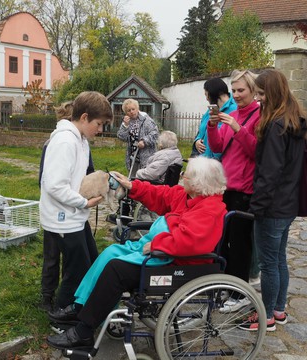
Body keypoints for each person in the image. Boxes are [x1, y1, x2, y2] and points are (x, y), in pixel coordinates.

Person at [46, 157, 228, 350]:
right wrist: (132, 186)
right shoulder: (188, 196)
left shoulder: (210, 210)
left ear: (199, 183)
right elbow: (161, 194)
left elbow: (190, 242)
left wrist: (157, 243)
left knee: (116, 270)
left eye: (187, 175)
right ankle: (80, 306)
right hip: (161, 252)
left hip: (175, 263)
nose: (182, 177)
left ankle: (83, 332)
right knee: (111, 252)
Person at [239, 69, 307, 332]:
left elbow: (270, 172)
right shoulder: (294, 120)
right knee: (279, 259)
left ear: (273, 93)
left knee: (269, 263)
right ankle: (278, 310)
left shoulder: (276, 125)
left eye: (260, 93)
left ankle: (266, 316)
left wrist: (256, 207)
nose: (258, 99)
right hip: (287, 204)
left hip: (272, 207)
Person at [39, 91, 113, 311]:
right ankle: (61, 316)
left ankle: (79, 308)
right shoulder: (65, 141)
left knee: (89, 261)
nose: (100, 130)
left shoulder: (81, 140)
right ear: (84, 117)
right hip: (63, 218)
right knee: (77, 271)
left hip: (74, 217)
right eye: (98, 124)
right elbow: (54, 185)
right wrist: (84, 203)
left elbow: (76, 177)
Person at [207, 69, 260, 312]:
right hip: (226, 186)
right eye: (234, 90)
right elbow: (218, 146)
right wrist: (211, 126)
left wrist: (239, 129)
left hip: (244, 189)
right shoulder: (233, 113)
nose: (237, 95)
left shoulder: (259, 116)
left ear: (253, 90)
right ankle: (228, 285)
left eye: (241, 90)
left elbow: (256, 152)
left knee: (240, 244)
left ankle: (241, 293)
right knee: (223, 240)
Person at [192, 77, 237, 159]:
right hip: (203, 159)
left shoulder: (235, 110)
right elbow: (201, 130)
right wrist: (197, 141)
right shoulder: (210, 111)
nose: (206, 98)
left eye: (207, 95)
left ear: (214, 93)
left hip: (219, 162)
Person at [117, 98, 159, 178]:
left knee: (145, 180)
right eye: (128, 110)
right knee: (133, 180)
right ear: (126, 112)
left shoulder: (146, 120)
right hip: (133, 156)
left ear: (137, 108)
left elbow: (155, 134)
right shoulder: (127, 122)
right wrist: (125, 126)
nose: (131, 112)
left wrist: (144, 141)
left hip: (147, 156)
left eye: (133, 109)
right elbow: (121, 137)